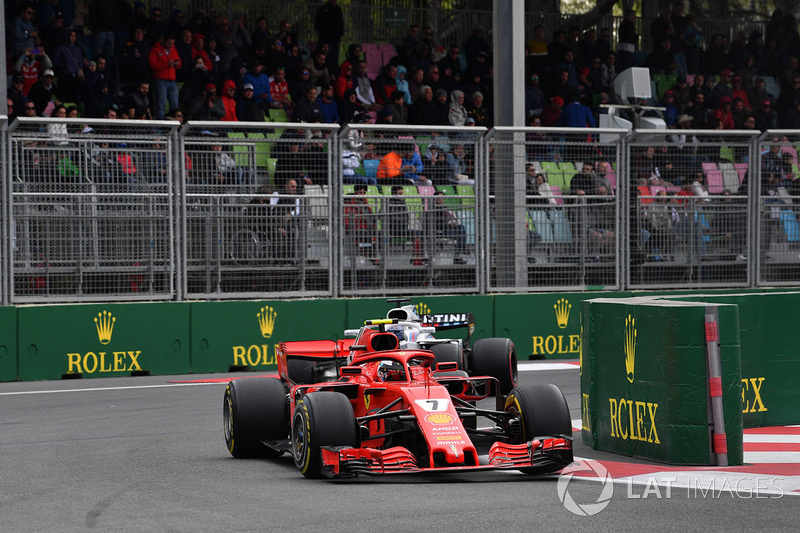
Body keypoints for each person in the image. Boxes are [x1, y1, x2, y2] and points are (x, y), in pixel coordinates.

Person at [428, 191, 467, 264]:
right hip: (439, 231)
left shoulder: (444, 208)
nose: (441, 199)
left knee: (461, 228)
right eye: (439, 198)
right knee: (460, 234)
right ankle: (460, 251)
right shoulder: (433, 209)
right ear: (435, 198)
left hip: (447, 228)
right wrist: (449, 225)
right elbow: (438, 224)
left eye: (442, 197)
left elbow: (449, 219)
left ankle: (461, 250)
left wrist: (452, 223)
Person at [149, 34, 181, 119]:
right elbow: (153, 65)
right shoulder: (155, 50)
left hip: (172, 80)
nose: (170, 45)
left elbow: (179, 62)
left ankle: (174, 128)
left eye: (172, 43)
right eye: (169, 43)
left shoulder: (173, 49)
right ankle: (161, 127)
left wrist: (177, 63)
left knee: (175, 105)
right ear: (163, 41)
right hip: (160, 80)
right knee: (161, 105)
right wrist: (166, 64)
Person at [344, 183, 378, 262]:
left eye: (364, 193)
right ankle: (368, 255)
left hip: (366, 229)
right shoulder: (348, 204)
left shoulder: (365, 203)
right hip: (353, 229)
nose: (362, 195)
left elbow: (371, 216)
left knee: (380, 234)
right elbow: (346, 222)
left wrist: (374, 223)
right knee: (365, 234)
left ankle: (369, 253)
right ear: (355, 192)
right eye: (360, 192)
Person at [314, 0, 344, 74]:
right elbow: (319, 25)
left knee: (334, 59)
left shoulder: (338, 9)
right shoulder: (323, 9)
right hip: (326, 40)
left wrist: (339, 34)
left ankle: (333, 74)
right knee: (326, 58)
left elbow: (341, 23)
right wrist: (324, 40)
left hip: (336, 40)